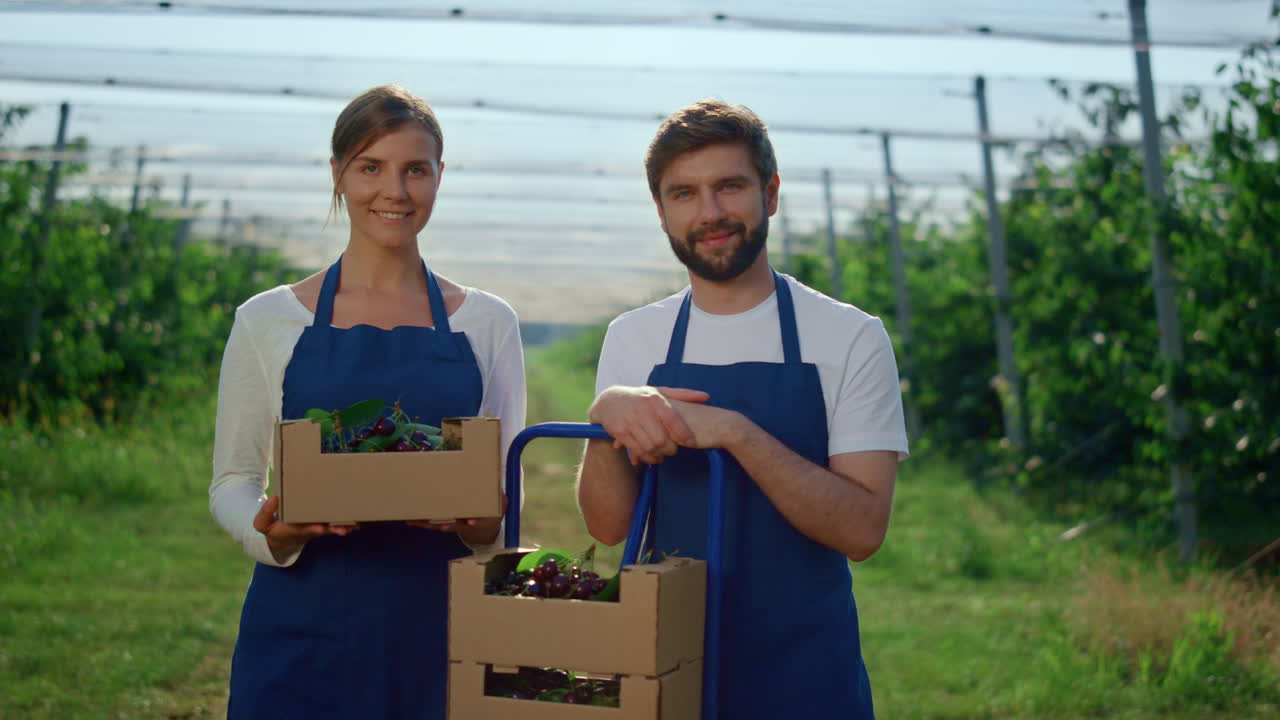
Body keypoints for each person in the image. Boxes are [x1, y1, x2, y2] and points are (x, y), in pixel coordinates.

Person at [576, 99, 908, 718]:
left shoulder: (848, 336)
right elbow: (607, 526)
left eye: (729, 186)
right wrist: (604, 417)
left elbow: (863, 531)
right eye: (684, 194)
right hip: (668, 664)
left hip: (806, 671)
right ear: (661, 210)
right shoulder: (635, 338)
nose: (710, 213)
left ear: (771, 193)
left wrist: (734, 432)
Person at [209, 85, 526, 719]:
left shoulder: (488, 323)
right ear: (338, 174)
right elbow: (233, 482)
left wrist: (482, 526)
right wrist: (270, 531)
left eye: (416, 170)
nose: (396, 191)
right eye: (370, 167)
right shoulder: (269, 320)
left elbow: (501, 494)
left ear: (440, 176)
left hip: (440, 629)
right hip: (301, 629)